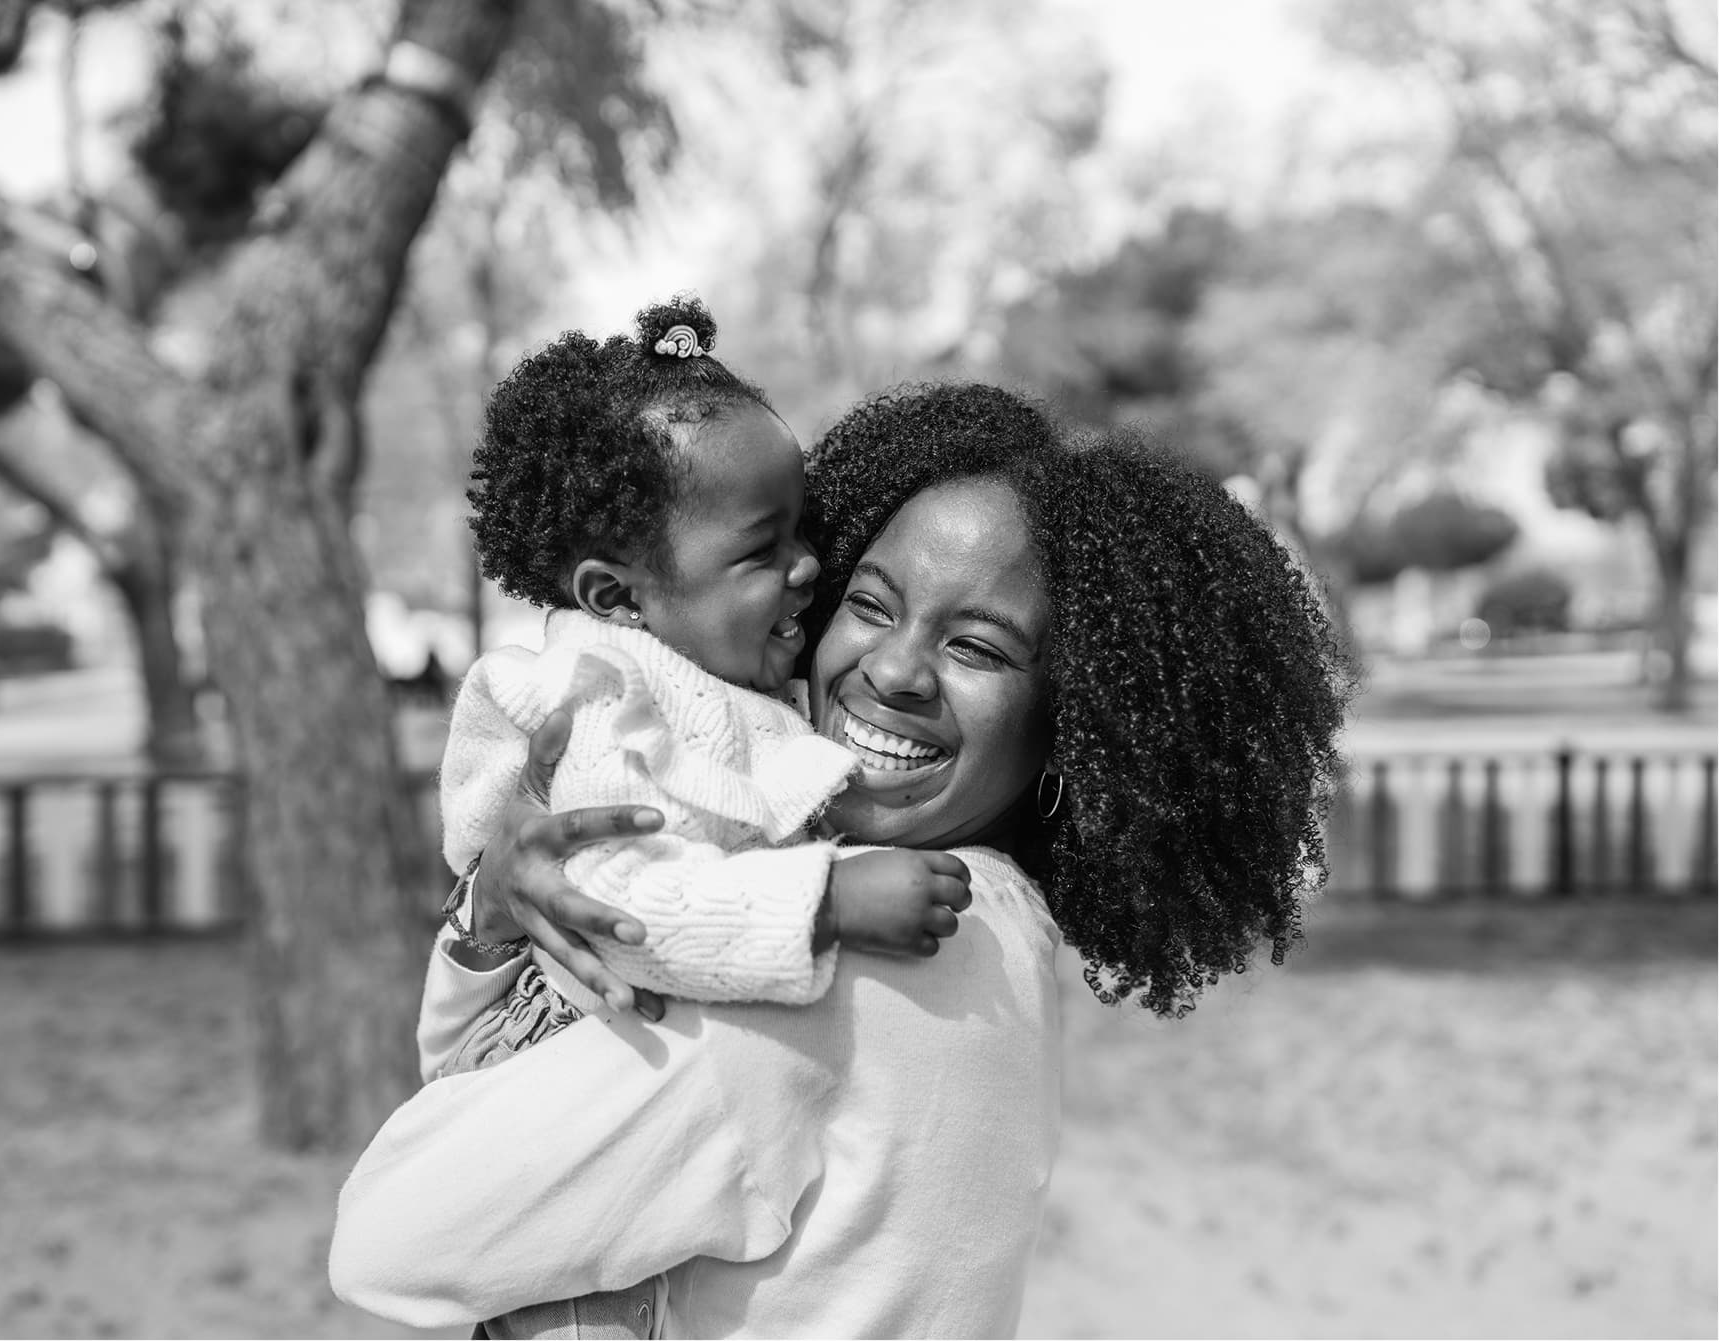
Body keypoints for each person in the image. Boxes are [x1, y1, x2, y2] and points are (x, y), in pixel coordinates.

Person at [332, 382, 1353, 1337]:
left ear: (1075, 724)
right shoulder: (989, 930)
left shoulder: (848, 958)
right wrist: (492, 923)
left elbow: (391, 1237)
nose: (895, 670)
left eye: (980, 649)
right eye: (870, 604)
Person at [430, 300, 974, 1337]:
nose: (808, 567)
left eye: (804, 530)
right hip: (567, 1145)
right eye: (760, 550)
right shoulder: (598, 703)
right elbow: (612, 899)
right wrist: (821, 903)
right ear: (617, 596)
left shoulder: (723, 682)